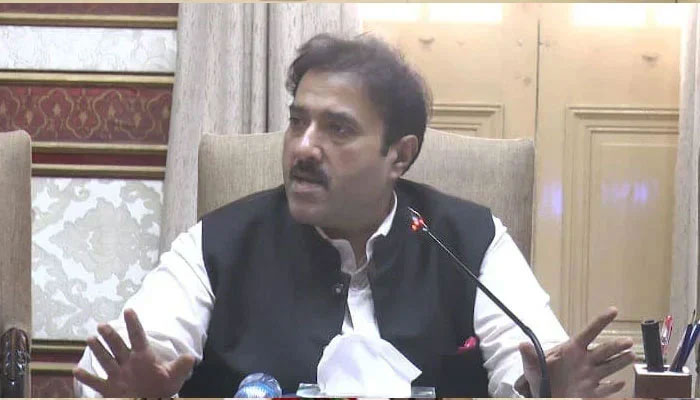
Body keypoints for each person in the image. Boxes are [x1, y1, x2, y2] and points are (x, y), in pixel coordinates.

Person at [73, 33, 634, 398]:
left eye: (337, 129)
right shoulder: (220, 243)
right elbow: (119, 368)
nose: (303, 147)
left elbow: (531, 362)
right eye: (298, 121)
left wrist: (544, 389)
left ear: (400, 156)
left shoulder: (468, 239)